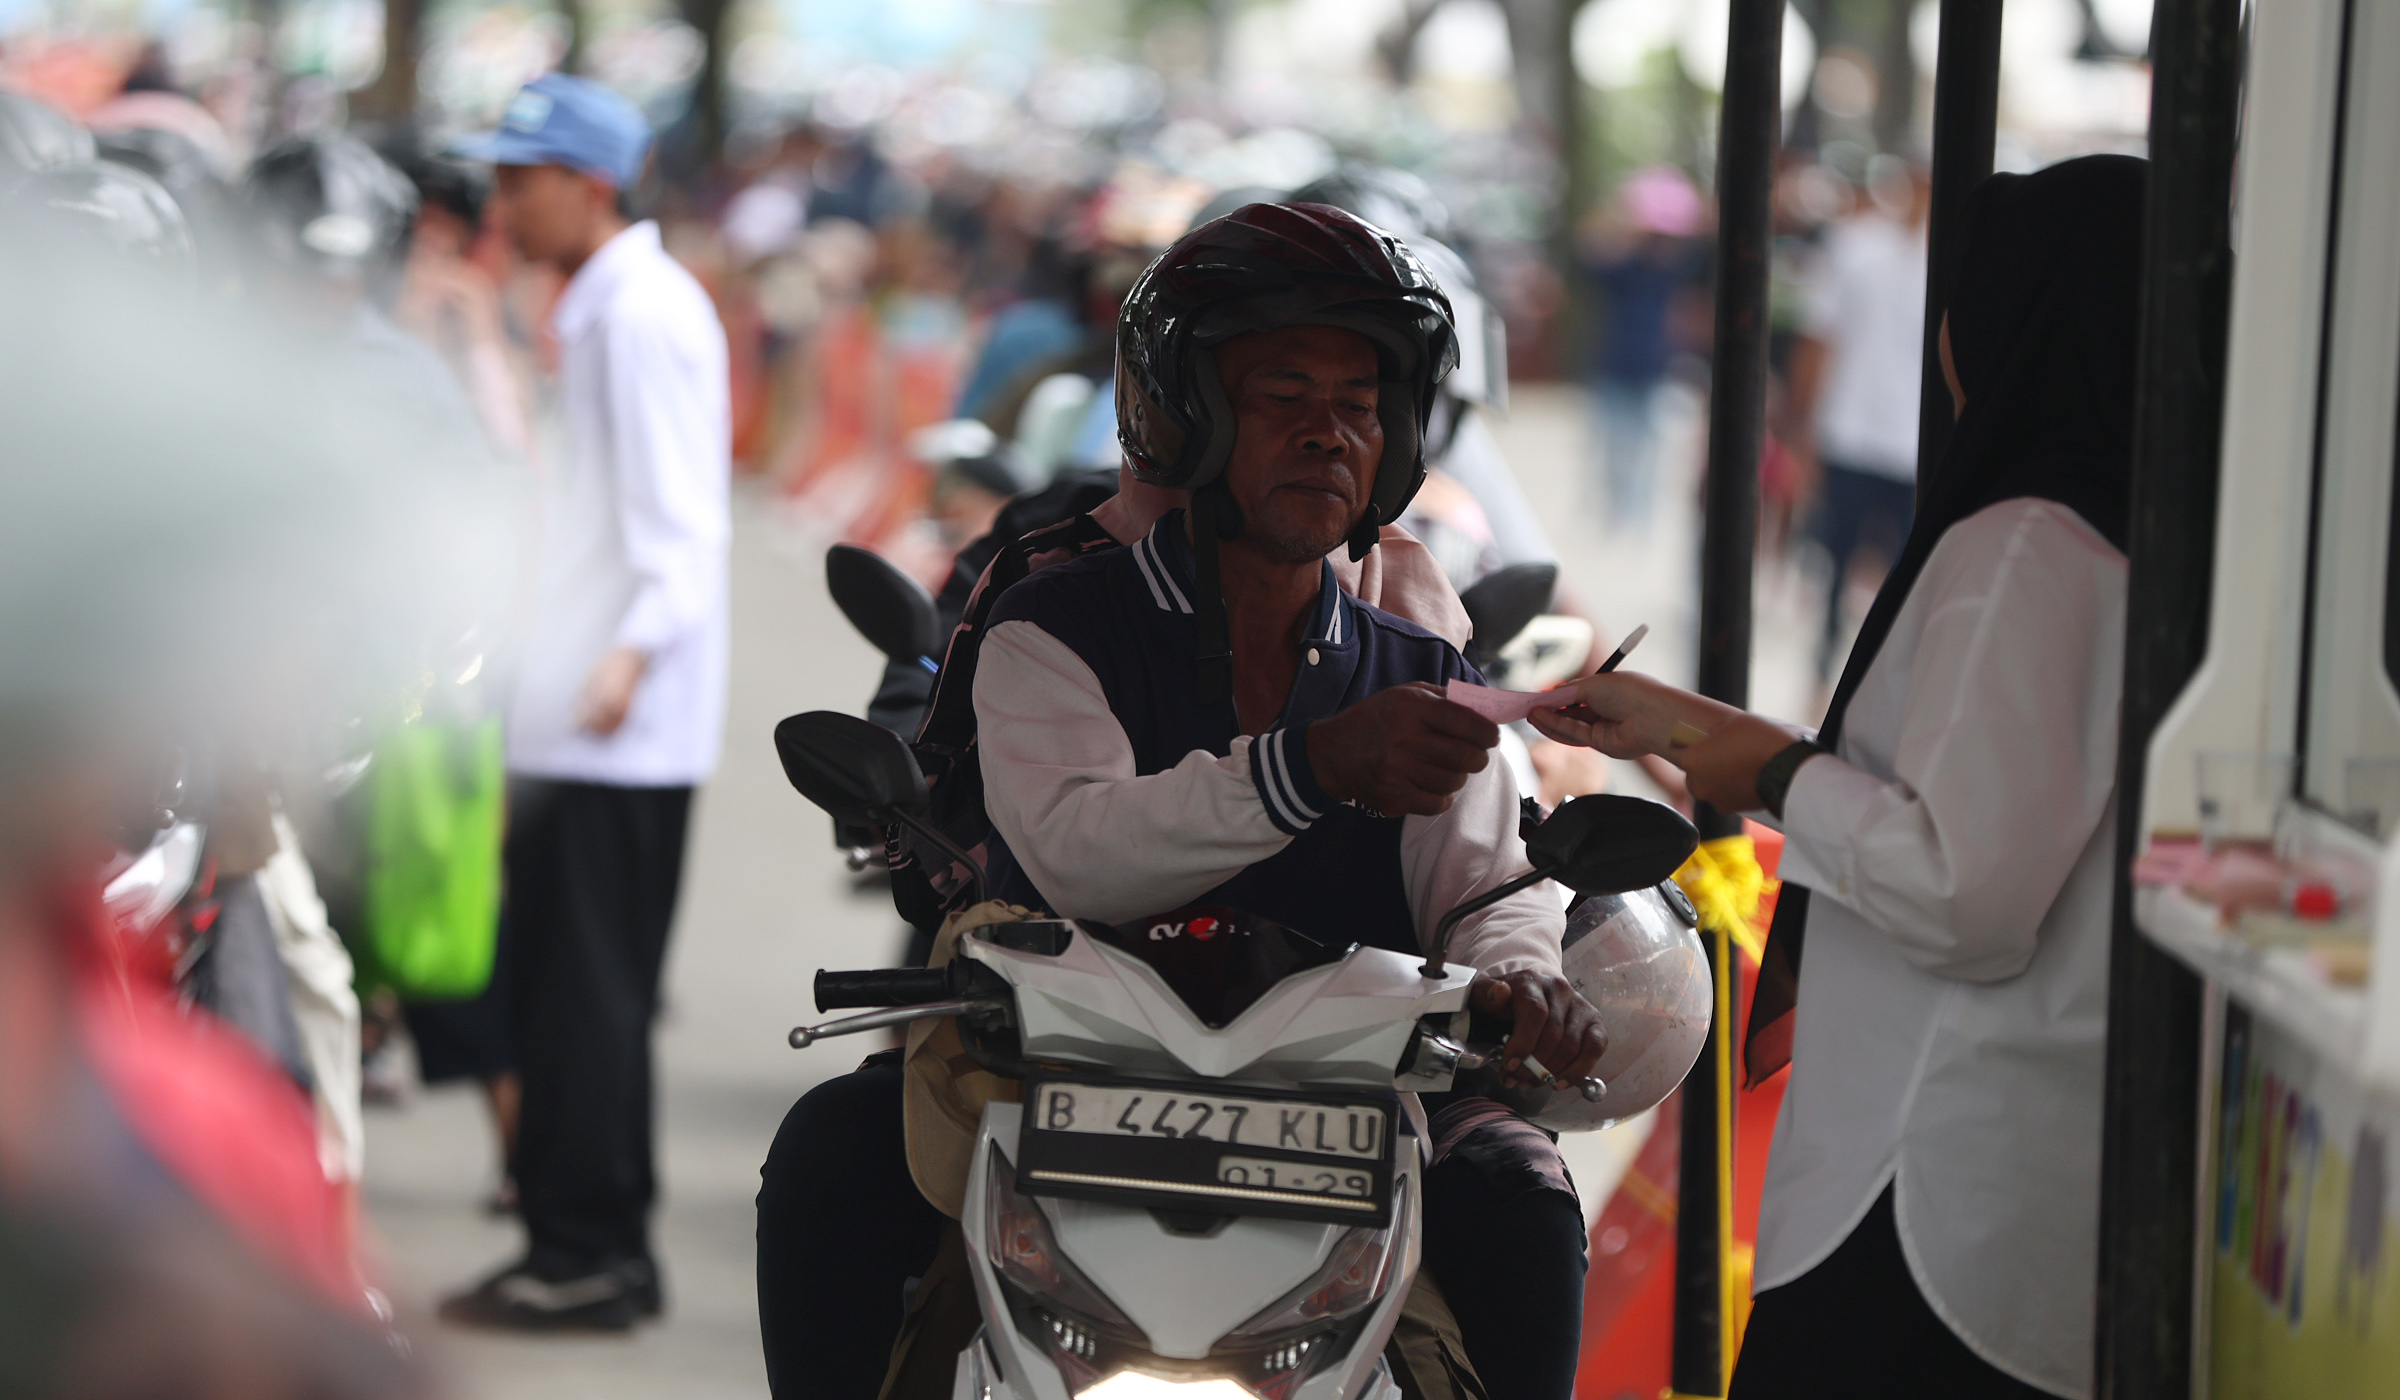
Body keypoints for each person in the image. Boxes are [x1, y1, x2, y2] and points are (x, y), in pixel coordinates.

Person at [1531, 155, 2146, 1399]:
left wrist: (1772, 770)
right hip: (1976, 1174)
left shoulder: (2027, 544)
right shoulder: (2107, 533)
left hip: (1926, 1186)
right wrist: (1695, 728)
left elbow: (1964, 890)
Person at [439, 72, 731, 1332]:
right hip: (589, 705)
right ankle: (585, 1241)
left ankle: (589, 1252)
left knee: (584, 999)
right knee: (575, 992)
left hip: (611, 721)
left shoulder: (635, 315)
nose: (503, 202)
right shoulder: (611, 303)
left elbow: (679, 518)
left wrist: (626, 654)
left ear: (591, 184)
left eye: (522, 178)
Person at [1786, 156, 1930, 680]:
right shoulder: (1856, 248)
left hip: (1906, 438)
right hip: (1855, 429)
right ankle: (1830, 664)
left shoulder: (1941, 254)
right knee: (1839, 556)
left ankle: (1869, 669)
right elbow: (1820, 339)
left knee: (1899, 567)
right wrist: (1804, 427)